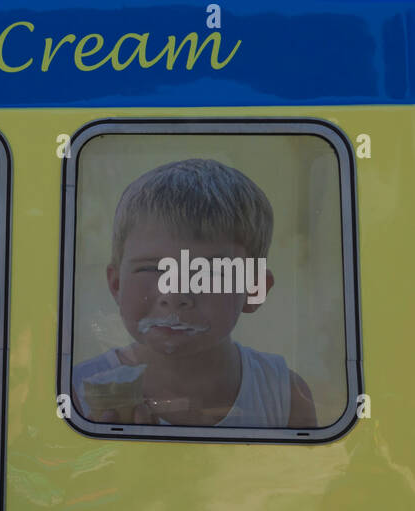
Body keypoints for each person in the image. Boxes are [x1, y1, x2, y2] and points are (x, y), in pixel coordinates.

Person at [72, 158, 316, 428]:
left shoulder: (285, 397)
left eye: (208, 272)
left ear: (254, 289)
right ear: (117, 284)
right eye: (152, 268)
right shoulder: (75, 395)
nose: (175, 293)